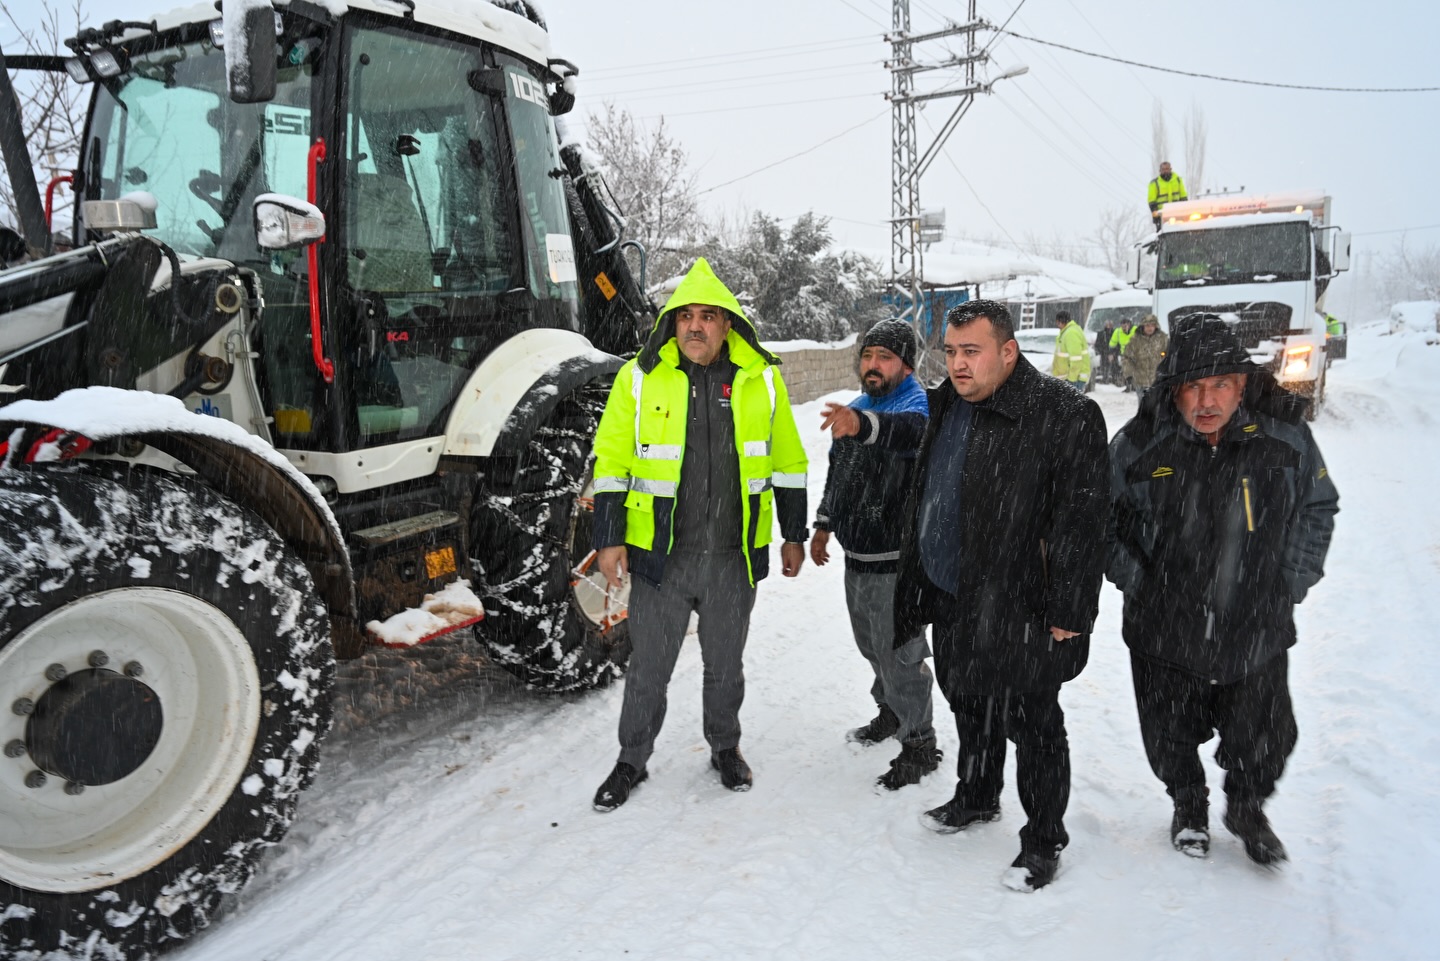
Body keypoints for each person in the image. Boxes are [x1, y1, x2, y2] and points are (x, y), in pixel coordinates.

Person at [894, 299, 1109, 892]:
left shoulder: (1064, 414)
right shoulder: (946, 405)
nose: (957, 364)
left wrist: (1070, 607)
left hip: (1023, 605)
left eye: (972, 351)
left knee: (1034, 725)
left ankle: (1043, 838)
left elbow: (1084, 522)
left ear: (1008, 352)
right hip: (954, 596)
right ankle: (977, 794)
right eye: (950, 351)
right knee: (969, 703)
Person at [1107, 315, 1338, 866]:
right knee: (1168, 734)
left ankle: (1247, 807)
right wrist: (1139, 582)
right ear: (1174, 389)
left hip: (1256, 622)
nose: (1207, 400)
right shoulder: (1139, 445)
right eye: (1193, 386)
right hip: (1163, 627)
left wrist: (1291, 581)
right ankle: (1188, 804)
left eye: (1221, 385)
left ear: (1242, 385)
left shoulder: (1284, 439)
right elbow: (1101, 522)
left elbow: (1317, 507)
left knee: (1265, 735)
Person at [589, 257, 809, 812]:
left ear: (727, 324)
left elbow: (788, 460)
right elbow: (611, 460)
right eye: (686, 315)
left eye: (708, 316)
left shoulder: (761, 380)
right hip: (662, 557)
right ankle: (631, 759)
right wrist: (610, 537)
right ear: (672, 322)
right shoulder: (639, 378)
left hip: (733, 558)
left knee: (726, 667)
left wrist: (793, 533)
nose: (695, 326)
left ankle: (725, 747)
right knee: (648, 668)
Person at [810, 319, 939, 791]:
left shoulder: (919, 408)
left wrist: (863, 425)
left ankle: (920, 743)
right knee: (871, 646)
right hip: (858, 557)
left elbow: (909, 435)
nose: (873, 364)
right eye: (867, 355)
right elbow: (839, 476)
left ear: (906, 366)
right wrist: (824, 524)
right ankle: (891, 711)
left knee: (900, 655)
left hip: (898, 562)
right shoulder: (858, 408)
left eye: (885, 357)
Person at [1120, 314, 1168, 404]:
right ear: (1143, 326)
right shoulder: (1135, 340)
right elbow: (1127, 358)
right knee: (1144, 407)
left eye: (1152, 325)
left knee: (1158, 406)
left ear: (1156, 326)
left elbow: (1169, 355)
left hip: (1158, 380)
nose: (1150, 328)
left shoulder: (1163, 339)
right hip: (1140, 381)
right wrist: (1128, 374)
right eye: (1147, 325)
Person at [1049, 309, 1091, 391]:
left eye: (1057, 323)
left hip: (1074, 379)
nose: (1057, 326)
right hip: (1070, 378)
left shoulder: (1071, 333)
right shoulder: (1068, 331)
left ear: (1060, 322)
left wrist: (1072, 379)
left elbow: (1076, 359)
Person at [1148, 161, 1188, 228]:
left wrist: (1184, 211)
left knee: (1180, 230)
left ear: (1170, 169)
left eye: (1167, 169)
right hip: (1161, 215)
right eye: (1163, 169)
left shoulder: (1178, 180)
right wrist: (1156, 214)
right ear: (1160, 171)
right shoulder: (1154, 183)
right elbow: (1151, 201)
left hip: (1177, 213)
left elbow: (1183, 197)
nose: (1165, 171)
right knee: (1163, 233)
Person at [1110, 318, 1137, 390]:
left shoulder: (1136, 330)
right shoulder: (1118, 332)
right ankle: (1128, 386)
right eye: (1122, 326)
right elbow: (1112, 343)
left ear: (1129, 324)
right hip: (1125, 355)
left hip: (1136, 354)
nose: (1124, 328)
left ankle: (1135, 386)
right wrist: (1111, 353)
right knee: (1126, 371)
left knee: (1136, 371)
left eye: (1125, 326)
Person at [1094, 319, 1119, 385]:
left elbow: (1118, 345)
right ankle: (1104, 378)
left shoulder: (1116, 333)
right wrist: (1105, 352)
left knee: (1115, 366)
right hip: (1104, 353)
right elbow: (1097, 345)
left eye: (1110, 325)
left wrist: (1113, 353)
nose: (1109, 326)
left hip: (1113, 353)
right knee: (1104, 365)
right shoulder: (1101, 334)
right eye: (1107, 325)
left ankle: (1115, 379)